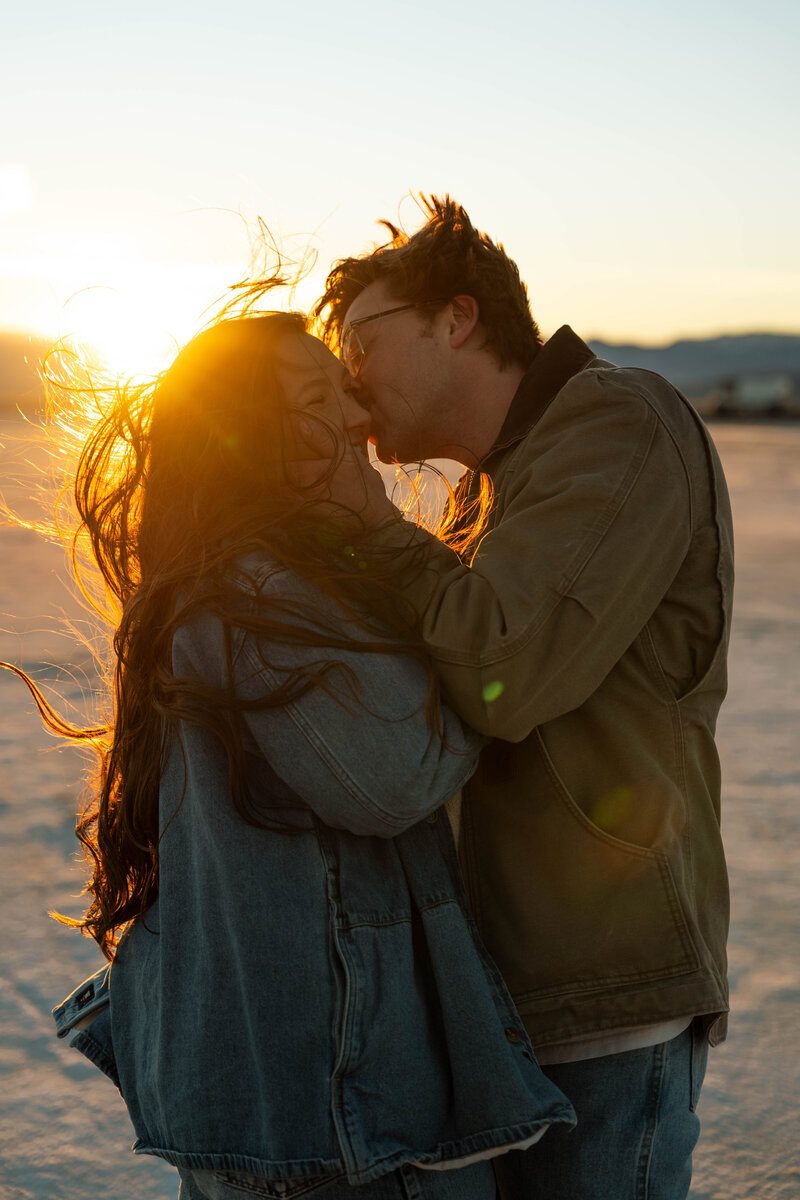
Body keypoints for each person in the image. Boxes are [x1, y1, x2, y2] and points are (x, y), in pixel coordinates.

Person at [5, 313, 576, 1199]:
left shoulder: (252, 580)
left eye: (346, 392)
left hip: (291, 1105)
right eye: (317, 401)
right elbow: (396, 776)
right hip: (341, 1116)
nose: (357, 420)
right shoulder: (252, 593)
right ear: (245, 439)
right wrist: (498, 674)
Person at [310, 195, 734, 1200]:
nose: (346, 381)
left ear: (454, 318)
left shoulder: (615, 421)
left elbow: (505, 672)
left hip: (601, 1002)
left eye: (358, 343)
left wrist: (366, 522)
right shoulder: (497, 485)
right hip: (512, 993)